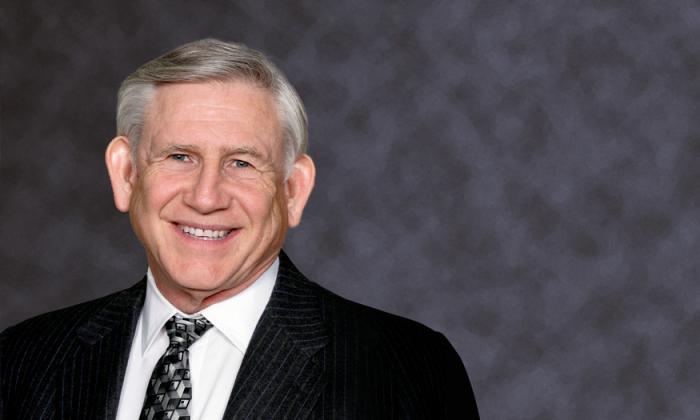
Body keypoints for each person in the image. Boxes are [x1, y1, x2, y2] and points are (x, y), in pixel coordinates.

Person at [0, 38, 479, 419]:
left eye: (242, 163)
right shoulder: (22, 362)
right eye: (180, 156)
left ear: (293, 190)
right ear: (126, 174)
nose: (206, 197)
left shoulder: (403, 371)